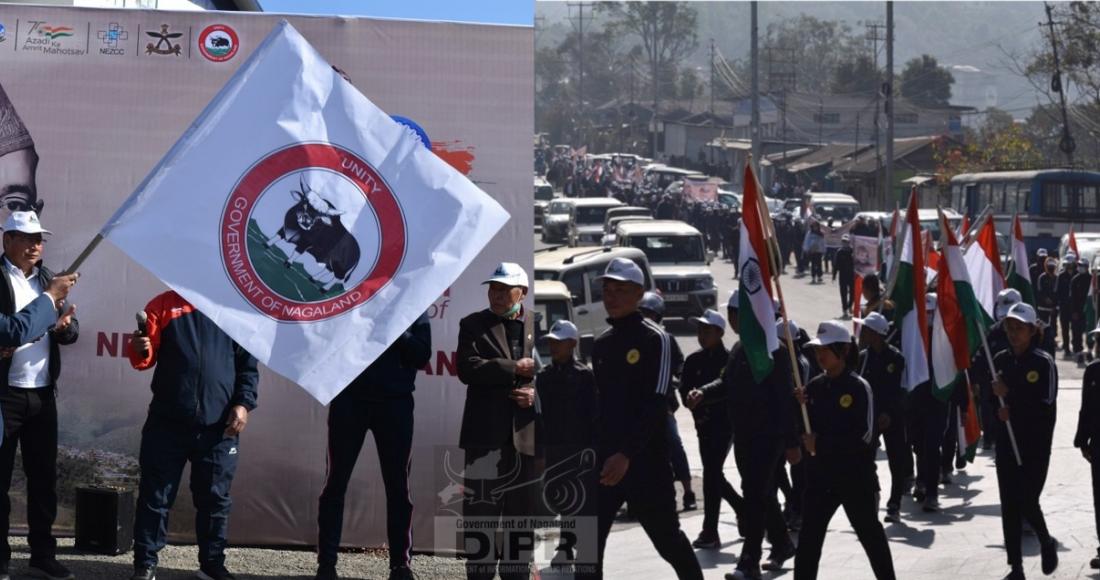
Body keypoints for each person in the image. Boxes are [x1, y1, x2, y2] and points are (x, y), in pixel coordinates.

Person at [127, 291, 258, 580]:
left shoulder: (233, 308)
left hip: (218, 427)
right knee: (155, 497)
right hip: (167, 423)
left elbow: (248, 368)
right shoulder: (161, 304)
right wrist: (139, 346)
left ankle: (212, 565)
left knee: (215, 499)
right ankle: (145, 563)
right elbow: (143, 359)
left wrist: (243, 404)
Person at [592, 257, 702, 580]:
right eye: (606, 289)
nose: (610, 296)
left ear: (639, 293)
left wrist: (626, 453)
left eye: (619, 290)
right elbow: (600, 408)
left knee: (668, 541)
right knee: (587, 546)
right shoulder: (601, 345)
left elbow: (657, 404)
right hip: (605, 464)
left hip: (645, 462)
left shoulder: (656, 339)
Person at [315, 313, 431, 580]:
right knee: (335, 483)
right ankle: (326, 564)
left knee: (398, 487)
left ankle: (400, 565)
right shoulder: (353, 299)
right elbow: (325, 343)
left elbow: (422, 355)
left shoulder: (414, 303)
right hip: (349, 400)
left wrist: (396, 332)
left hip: (395, 403)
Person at [0, 211, 78, 580]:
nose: (36, 245)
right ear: (7, 241)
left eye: (39, 238)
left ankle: (43, 554)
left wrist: (63, 329)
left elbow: (70, 328)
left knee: (43, 479)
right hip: (5, 396)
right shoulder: (10, 280)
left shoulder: (48, 279)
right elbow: (11, 331)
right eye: (27, 237)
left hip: (42, 394)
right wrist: (49, 301)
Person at [793, 321, 896, 580]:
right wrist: (798, 408)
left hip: (855, 478)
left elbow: (865, 436)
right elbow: (805, 431)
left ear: (843, 350)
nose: (820, 355)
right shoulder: (814, 387)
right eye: (817, 350)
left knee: (870, 536)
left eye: (826, 349)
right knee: (808, 541)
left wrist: (823, 444)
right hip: (820, 479)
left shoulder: (859, 387)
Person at [455, 262, 538, 580]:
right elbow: (468, 368)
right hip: (484, 438)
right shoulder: (473, 324)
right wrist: (514, 367)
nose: (497, 295)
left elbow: (562, 375)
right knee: (481, 516)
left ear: (523, 292)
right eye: (493, 288)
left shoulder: (539, 324)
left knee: (522, 516)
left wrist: (535, 394)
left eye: (504, 289)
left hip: (527, 438)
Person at [989, 303, 1059, 580]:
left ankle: (1046, 541)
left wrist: (1012, 397)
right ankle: (1015, 566)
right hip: (1007, 441)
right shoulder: (1001, 359)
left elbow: (1046, 403)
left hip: (1035, 444)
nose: (1013, 333)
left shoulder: (1043, 362)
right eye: (1009, 328)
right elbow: (993, 398)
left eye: (1019, 328)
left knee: (1027, 499)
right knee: (1009, 504)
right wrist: (998, 407)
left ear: (1032, 331)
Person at [534, 320, 598, 578]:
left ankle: (571, 547)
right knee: (561, 500)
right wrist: (540, 451)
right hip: (554, 450)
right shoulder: (544, 377)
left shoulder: (584, 376)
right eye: (551, 342)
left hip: (579, 450)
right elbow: (539, 417)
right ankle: (567, 544)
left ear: (572, 344)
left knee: (580, 503)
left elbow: (594, 417)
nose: (553, 346)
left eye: (559, 342)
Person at [680, 309, 744, 549]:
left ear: (719, 333)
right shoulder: (693, 360)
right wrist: (694, 407)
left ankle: (710, 529)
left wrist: (704, 399)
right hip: (702, 425)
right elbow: (684, 388)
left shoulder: (728, 359)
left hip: (724, 425)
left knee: (711, 474)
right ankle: (742, 508)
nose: (702, 335)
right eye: (699, 330)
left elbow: (727, 389)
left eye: (707, 331)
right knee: (713, 473)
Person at [638, 292, 693, 512]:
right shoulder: (632, 337)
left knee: (674, 442)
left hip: (662, 404)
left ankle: (688, 491)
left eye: (650, 313)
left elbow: (680, 365)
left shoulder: (666, 339)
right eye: (643, 312)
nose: (646, 317)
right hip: (636, 404)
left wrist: (676, 378)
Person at [854, 312, 909, 524]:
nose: (863, 333)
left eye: (867, 329)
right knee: (866, 459)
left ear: (876, 333)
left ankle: (894, 504)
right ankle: (873, 494)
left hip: (892, 416)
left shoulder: (896, 358)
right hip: (870, 418)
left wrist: (888, 412)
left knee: (897, 460)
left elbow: (898, 389)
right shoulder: (862, 358)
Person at [1036, 257, 1059, 356]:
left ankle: (1052, 339)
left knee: (1053, 325)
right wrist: (1045, 299)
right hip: (1042, 307)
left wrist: (1055, 305)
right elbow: (1039, 291)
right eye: (1049, 267)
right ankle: (1042, 340)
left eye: (1052, 267)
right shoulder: (1041, 277)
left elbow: (1058, 292)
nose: (1051, 269)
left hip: (1053, 307)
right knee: (1043, 324)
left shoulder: (1057, 278)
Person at [1055, 254, 1077, 357]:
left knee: (1075, 328)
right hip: (1064, 307)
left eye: (1070, 264)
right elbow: (1057, 292)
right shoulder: (1061, 276)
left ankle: (1076, 346)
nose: (1068, 266)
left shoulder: (1077, 275)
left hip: (1075, 307)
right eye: (1067, 264)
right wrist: (1058, 304)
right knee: (1065, 328)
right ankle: (1066, 347)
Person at [1072, 257, 1092, 363]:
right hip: (1077, 311)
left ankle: (1089, 351)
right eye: (1079, 265)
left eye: (1082, 266)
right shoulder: (1075, 280)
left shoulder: (1091, 279)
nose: (1080, 268)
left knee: (1089, 331)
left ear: (1087, 267)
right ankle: (1078, 353)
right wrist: (1074, 311)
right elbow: (1072, 297)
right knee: (1077, 332)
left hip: (1089, 311)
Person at [833, 234, 855, 318]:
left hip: (851, 275)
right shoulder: (839, 252)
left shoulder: (853, 251)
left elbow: (857, 263)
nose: (844, 243)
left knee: (852, 292)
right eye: (843, 241)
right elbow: (836, 264)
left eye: (846, 241)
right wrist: (834, 275)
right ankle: (845, 309)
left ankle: (850, 306)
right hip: (842, 275)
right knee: (843, 293)